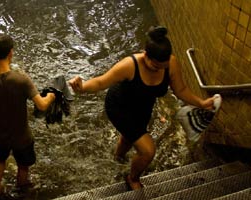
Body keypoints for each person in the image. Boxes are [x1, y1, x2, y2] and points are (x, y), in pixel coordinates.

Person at [69, 26, 215, 190]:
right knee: (147, 150)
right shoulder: (130, 65)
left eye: (162, 67)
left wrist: (201, 103)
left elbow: (180, 90)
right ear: (145, 55)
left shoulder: (171, 64)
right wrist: (82, 87)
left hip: (143, 108)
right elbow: (101, 82)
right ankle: (132, 179)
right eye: (155, 67)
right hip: (119, 107)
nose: (159, 70)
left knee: (129, 137)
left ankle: (118, 157)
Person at [0, 33, 56, 199]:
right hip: (22, 138)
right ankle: (21, 187)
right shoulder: (21, 80)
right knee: (23, 166)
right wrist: (51, 96)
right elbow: (42, 105)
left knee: (0, 161)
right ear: (11, 53)